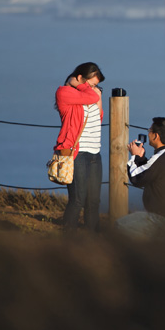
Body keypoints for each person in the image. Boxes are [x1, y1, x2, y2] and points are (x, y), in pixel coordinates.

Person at [54, 62, 105, 232]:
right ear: (79, 78)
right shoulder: (64, 92)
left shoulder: (88, 93)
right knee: (77, 199)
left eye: (96, 85)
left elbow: (98, 119)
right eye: (91, 84)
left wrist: (98, 96)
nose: (94, 88)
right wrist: (89, 91)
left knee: (94, 200)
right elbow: (91, 97)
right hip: (78, 153)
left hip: (95, 153)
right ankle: (68, 237)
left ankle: (92, 237)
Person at [118, 116, 165, 237]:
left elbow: (136, 178)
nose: (148, 134)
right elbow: (150, 173)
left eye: (149, 131)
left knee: (119, 225)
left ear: (156, 136)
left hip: (161, 219)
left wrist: (134, 156)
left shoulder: (159, 158)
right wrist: (141, 158)